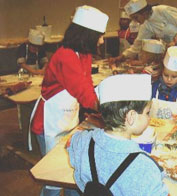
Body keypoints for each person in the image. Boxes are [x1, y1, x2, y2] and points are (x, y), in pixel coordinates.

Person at [29, 5, 109, 196]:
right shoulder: (65, 56)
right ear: (86, 34)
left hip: (68, 117)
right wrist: (109, 110)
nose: (102, 39)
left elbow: (87, 84)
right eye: (99, 35)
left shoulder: (85, 54)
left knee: (73, 173)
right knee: (54, 179)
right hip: (48, 122)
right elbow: (83, 92)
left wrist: (101, 103)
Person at [67, 74, 169, 195]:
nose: (149, 117)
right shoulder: (146, 168)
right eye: (147, 112)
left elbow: (70, 143)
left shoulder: (83, 140)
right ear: (131, 117)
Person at [109, 0, 177, 91]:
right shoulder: (146, 25)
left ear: (143, 12)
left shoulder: (163, 10)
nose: (136, 21)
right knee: (172, 78)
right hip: (171, 50)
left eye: (136, 17)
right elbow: (137, 46)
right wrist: (121, 57)